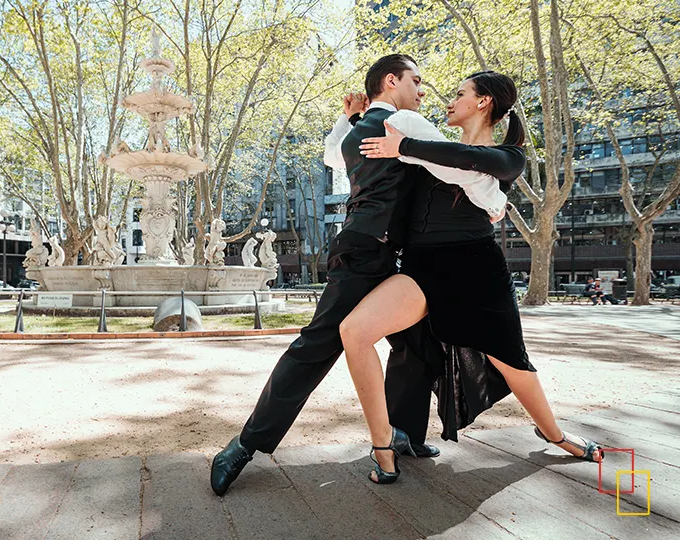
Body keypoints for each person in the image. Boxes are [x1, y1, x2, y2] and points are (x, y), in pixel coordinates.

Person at [210, 54, 510, 496]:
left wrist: (348, 114)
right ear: (392, 82)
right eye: (416, 81)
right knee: (317, 346)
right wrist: (496, 205)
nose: (423, 91)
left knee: (419, 342)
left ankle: (404, 433)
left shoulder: (355, 131)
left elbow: (333, 157)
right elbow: (462, 166)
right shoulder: (405, 123)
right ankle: (244, 445)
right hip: (367, 255)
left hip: (384, 254)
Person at [343, 70, 603, 484]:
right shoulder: (432, 149)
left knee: (514, 363)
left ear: (483, 103)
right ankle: (382, 444)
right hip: (421, 268)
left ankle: (554, 433)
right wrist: (358, 120)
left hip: (477, 272)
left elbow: (479, 161)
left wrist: (404, 146)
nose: (449, 101)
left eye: (460, 93)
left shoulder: (506, 156)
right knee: (354, 331)